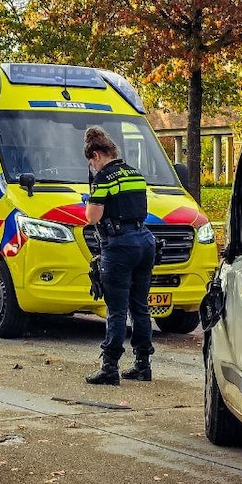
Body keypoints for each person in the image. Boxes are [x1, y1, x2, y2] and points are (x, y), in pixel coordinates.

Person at [82, 126, 156, 386]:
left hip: (120, 245)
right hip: (144, 242)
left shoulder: (104, 178)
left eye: (91, 161)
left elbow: (93, 217)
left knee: (116, 309)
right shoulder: (134, 173)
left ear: (97, 154)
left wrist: (89, 202)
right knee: (140, 306)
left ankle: (109, 367)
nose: (92, 166)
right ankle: (142, 364)